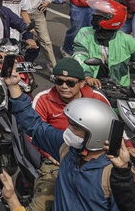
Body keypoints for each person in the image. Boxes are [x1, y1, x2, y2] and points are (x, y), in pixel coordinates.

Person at [5, 64, 123, 211]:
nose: (68, 129)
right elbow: (34, 125)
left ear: (95, 132)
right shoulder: (67, 150)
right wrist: (14, 87)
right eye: (59, 81)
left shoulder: (116, 177)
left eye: (75, 127)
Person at [28, 57, 111, 211]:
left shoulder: (97, 98)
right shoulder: (43, 99)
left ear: (81, 83)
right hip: (56, 159)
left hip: (96, 160)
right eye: (59, 81)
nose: (64, 86)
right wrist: (50, 155)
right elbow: (34, 132)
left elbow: (113, 127)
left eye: (70, 83)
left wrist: (128, 146)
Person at [73, 0, 135, 88]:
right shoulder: (84, 33)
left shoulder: (128, 40)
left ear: (111, 19)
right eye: (96, 12)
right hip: (91, 84)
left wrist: (131, 66)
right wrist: (88, 76)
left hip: (120, 88)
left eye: (100, 14)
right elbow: (79, 56)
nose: (95, 15)